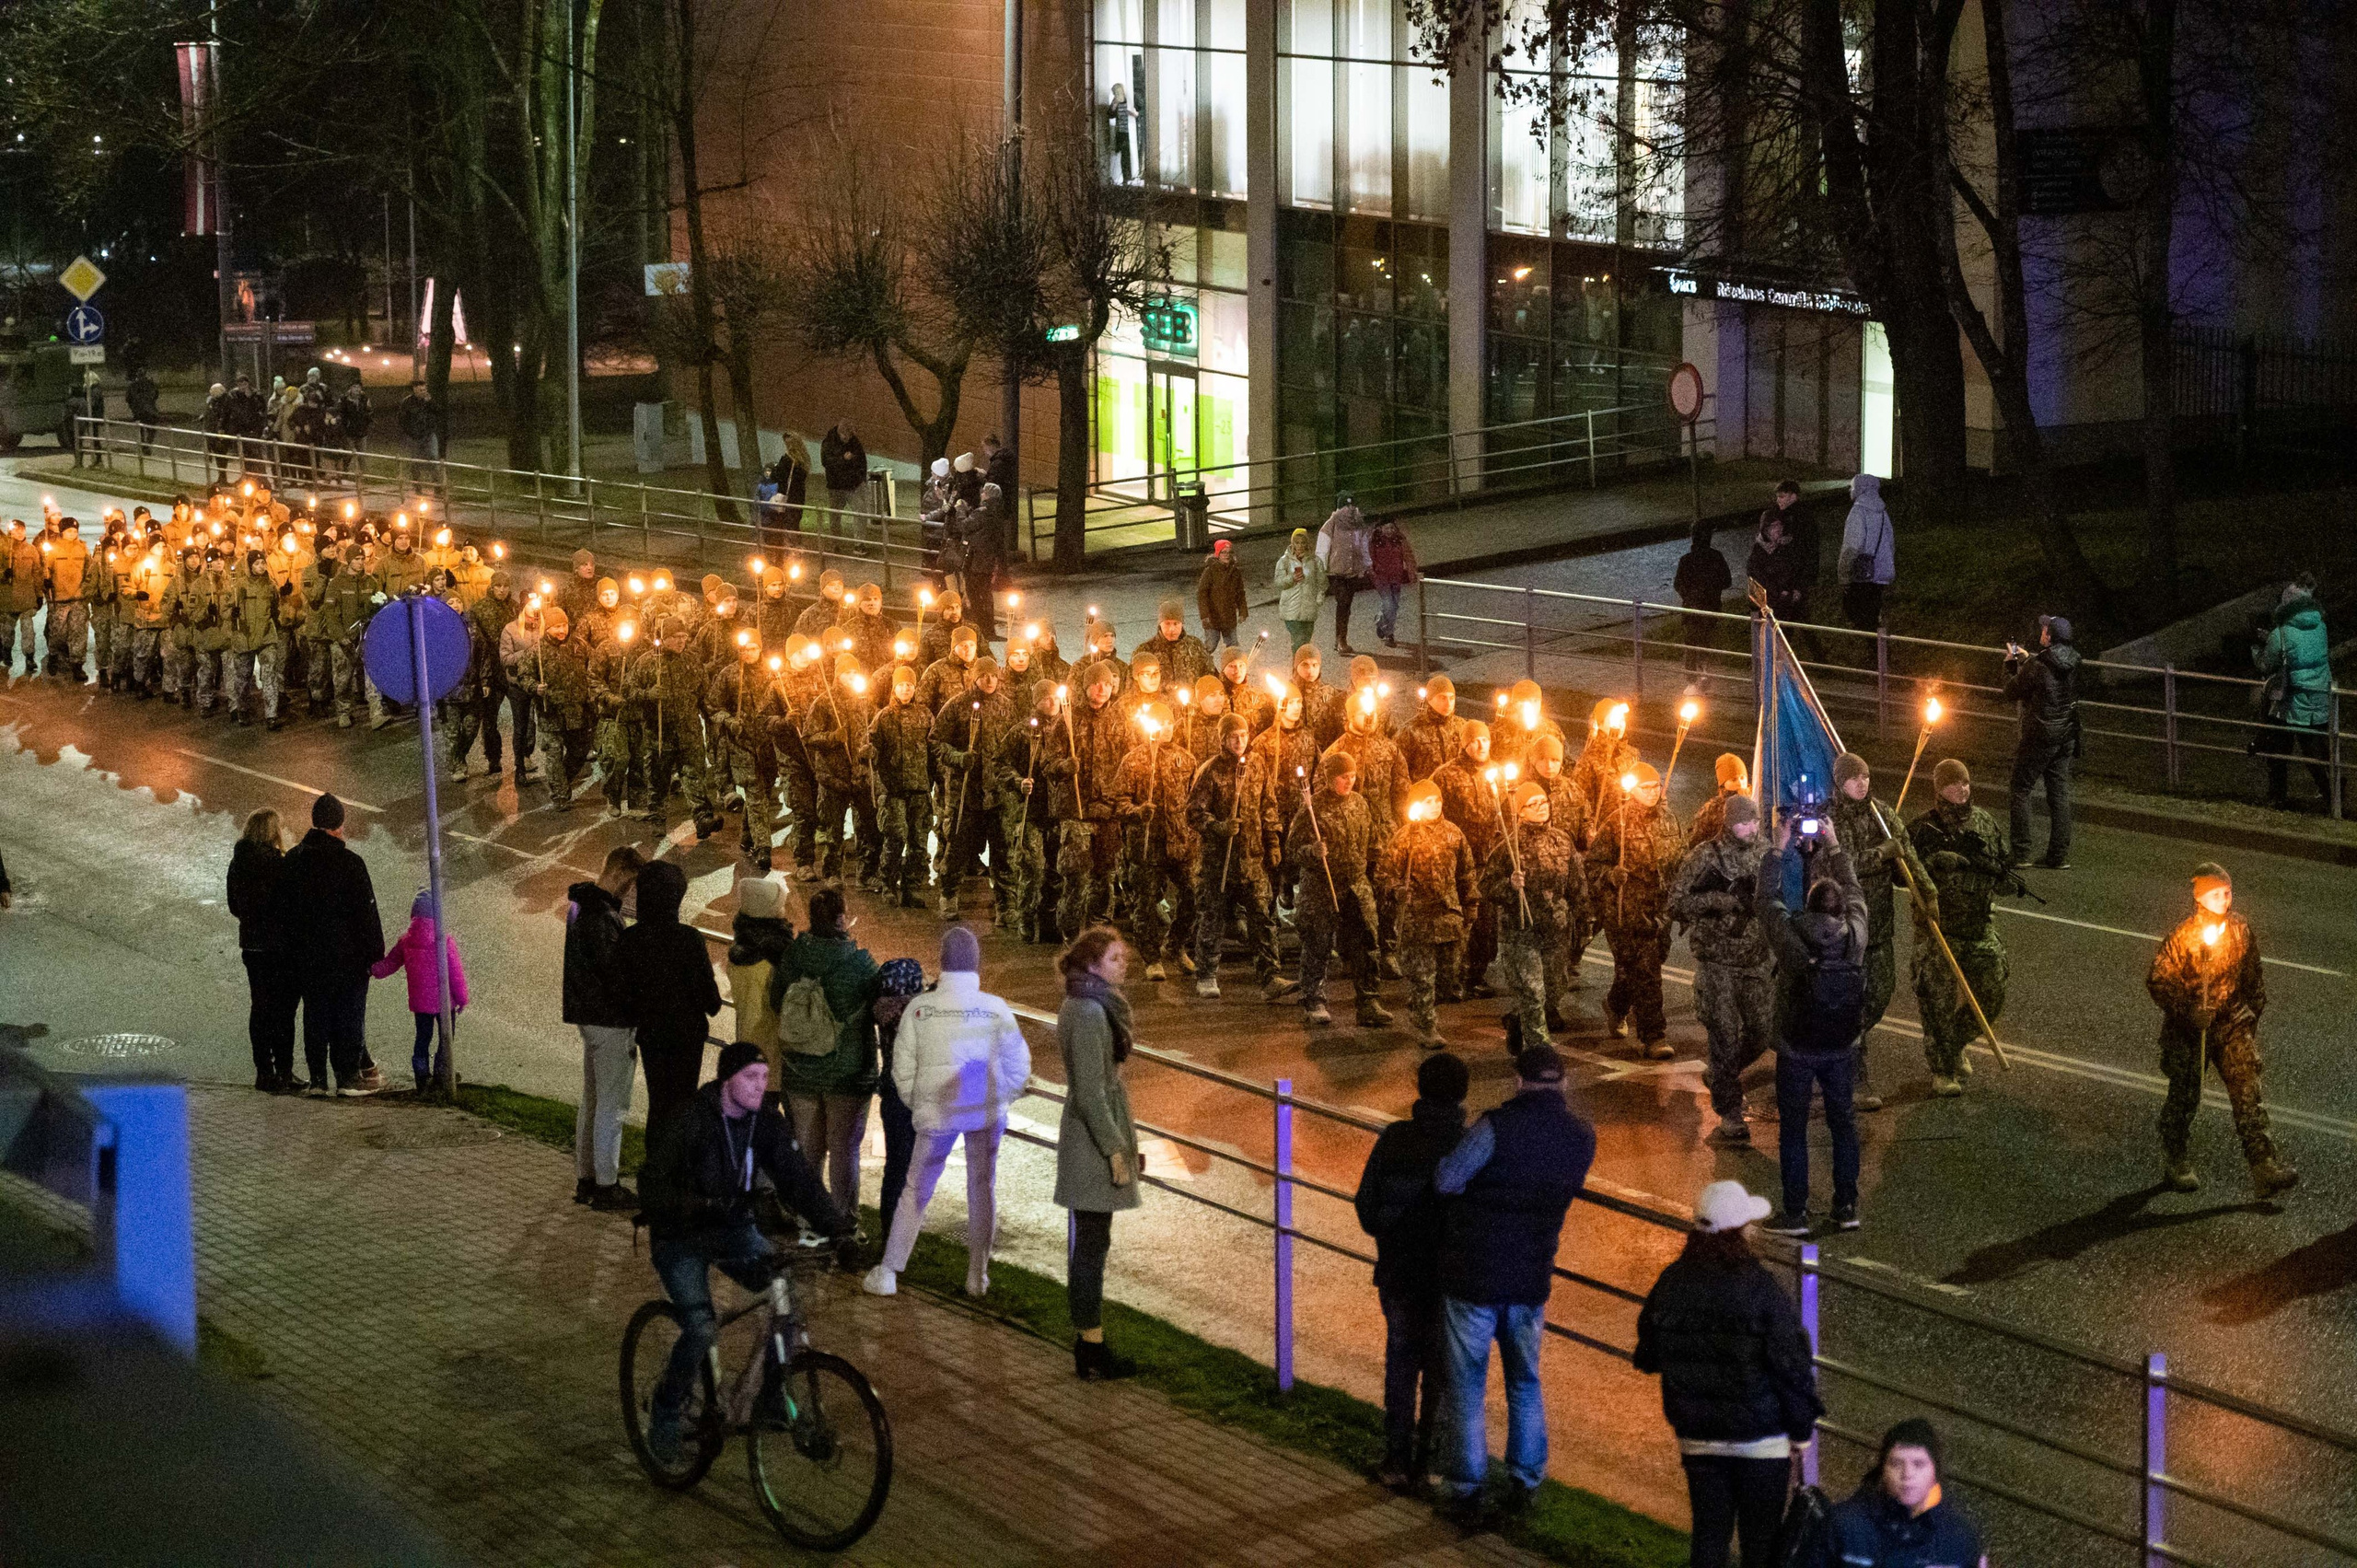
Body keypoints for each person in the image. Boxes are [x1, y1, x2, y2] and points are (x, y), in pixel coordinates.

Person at [636, 1041, 853, 1467]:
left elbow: (799, 1180)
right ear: (726, 1079)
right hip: (680, 1236)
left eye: (765, 1078)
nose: (760, 1087)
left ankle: (771, 1400)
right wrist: (699, 1206)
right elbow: (652, 1186)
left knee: (786, 1298)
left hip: (733, 1230)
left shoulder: (764, 1124)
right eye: (750, 1078)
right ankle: (664, 1411)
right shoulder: (690, 1120)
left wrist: (839, 1228)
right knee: (700, 1328)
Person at [1432, 1043, 1596, 1526]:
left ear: (1519, 1081)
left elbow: (1447, 1180)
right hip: (1531, 1277)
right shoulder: (1581, 1135)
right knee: (1525, 1381)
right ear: (1562, 1083)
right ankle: (1524, 1480)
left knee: (1468, 1385)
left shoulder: (1494, 1128)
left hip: (1475, 1274)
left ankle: (1465, 1486)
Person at [1634, 1180, 1822, 1568]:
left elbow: (1648, 1354)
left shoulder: (1673, 1282)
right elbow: (1791, 1365)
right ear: (1742, 1231)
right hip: (1761, 1442)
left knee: (1708, 1536)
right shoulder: (1760, 1288)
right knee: (1761, 1545)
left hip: (1699, 1439)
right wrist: (1802, 1430)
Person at [864, 926, 1031, 1300]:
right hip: (984, 1114)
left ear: (941, 963)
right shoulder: (994, 1009)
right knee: (982, 1189)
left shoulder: (920, 1011)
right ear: (976, 964)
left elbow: (902, 1070)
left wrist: (919, 1101)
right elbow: (1019, 1066)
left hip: (936, 1114)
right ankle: (977, 1276)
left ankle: (890, 1270)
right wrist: (997, 1098)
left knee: (915, 1190)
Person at [1353, 1051, 1469, 1493]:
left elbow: (1366, 1206)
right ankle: (1431, 1465)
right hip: (1447, 1279)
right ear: (1462, 1095)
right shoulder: (1469, 1145)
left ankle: (1396, 1460)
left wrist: (1392, 1234)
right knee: (1441, 1369)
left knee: (1401, 1363)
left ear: (1419, 1089)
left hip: (1400, 1272)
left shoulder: (1397, 1138)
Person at [2148, 864, 2299, 1199]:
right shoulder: (2184, 935)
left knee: (2248, 1093)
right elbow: (2158, 980)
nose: (2225, 900)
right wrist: (2189, 1011)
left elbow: (2252, 974)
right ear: (2200, 897)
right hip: (2191, 1030)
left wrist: (2252, 1011)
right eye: (2216, 894)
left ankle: (2264, 1167)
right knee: (2185, 1096)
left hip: (2230, 1024)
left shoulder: (2240, 928)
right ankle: (2176, 1157)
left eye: (2228, 892)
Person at [1758, 812, 1868, 1236]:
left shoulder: (1792, 935)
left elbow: (1766, 900)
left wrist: (1778, 845)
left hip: (1797, 1046)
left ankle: (1796, 1212)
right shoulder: (1855, 934)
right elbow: (1856, 890)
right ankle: (1846, 1206)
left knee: (1794, 1129)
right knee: (1844, 1125)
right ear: (1841, 909)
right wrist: (1835, 846)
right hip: (1842, 1047)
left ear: (1809, 905)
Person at [1055, 927, 1144, 1379]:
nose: (1122, 965)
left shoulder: (1084, 1003)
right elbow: (1090, 1093)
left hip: (1093, 1132)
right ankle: (1090, 1344)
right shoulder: (1089, 1012)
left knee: (1092, 1243)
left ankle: (1089, 1341)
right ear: (1092, 966)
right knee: (1091, 1246)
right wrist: (1115, 1150)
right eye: (1113, 958)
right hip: (1092, 1142)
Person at [770, 885, 884, 1232]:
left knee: (808, 1149)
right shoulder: (861, 964)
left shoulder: (792, 957)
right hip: (847, 1075)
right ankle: (842, 1223)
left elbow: (778, 1002)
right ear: (840, 920)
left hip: (800, 1069)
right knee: (845, 1150)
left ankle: (808, 1217)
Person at [1909, 760, 2015, 1098]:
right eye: (1954, 784)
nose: (1962, 789)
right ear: (1939, 788)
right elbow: (1903, 874)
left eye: (1966, 783)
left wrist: (2005, 879)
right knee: (1937, 1003)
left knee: (1992, 990)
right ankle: (1942, 1069)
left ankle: (1953, 1045)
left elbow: (2001, 864)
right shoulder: (1923, 829)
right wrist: (1934, 863)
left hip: (1978, 926)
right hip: (1940, 930)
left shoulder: (1985, 822)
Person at [1828, 753, 1927, 1114]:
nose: (1862, 784)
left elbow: (1908, 855)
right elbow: (1841, 864)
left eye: (1866, 777)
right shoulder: (1829, 819)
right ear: (1840, 783)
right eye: (1854, 779)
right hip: (1845, 931)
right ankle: (1855, 1075)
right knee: (1851, 1002)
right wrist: (1882, 854)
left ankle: (1835, 1043)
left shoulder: (1883, 815)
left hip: (1880, 927)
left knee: (1881, 994)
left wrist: (1926, 892)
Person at [1671, 795, 1771, 1145]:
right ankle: (1729, 1112)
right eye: (1744, 822)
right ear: (1729, 823)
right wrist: (1720, 901)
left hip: (1756, 960)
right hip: (1718, 964)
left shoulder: (1766, 852)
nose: (1752, 828)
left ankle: (1721, 1075)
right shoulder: (1705, 857)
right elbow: (1677, 902)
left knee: (1763, 1031)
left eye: (1755, 821)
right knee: (1724, 1038)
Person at [273, 793, 387, 1098]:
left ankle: (318, 1080)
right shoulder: (351, 864)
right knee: (348, 1017)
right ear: (339, 823)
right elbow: (367, 914)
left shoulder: (295, 860)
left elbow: (284, 912)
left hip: (308, 959)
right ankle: (348, 1079)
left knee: (316, 1016)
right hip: (348, 960)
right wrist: (375, 955)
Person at [615, 859, 722, 1141]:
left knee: (659, 1103)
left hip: (651, 1035)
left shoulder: (629, 940)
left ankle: (656, 1170)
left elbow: (622, 995)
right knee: (683, 1104)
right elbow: (711, 1001)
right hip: (687, 1036)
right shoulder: (688, 940)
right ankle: (678, 1174)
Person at [565, 844, 644, 1208]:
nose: (629, 894)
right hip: (610, 1021)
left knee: (592, 1101)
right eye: (629, 884)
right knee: (612, 1107)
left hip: (588, 1015)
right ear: (620, 874)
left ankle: (586, 1178)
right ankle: (606, 1185)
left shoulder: (580, 906)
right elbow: (616, 974)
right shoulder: (601, 916)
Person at [1588, 761, 1682, 1060]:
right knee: (1646, 972)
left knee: (1638, 970)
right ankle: (1654, 1037)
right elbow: (1593, 865)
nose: (1653, 792)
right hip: (1626, 913)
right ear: (1633, 790)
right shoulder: (1617, 823)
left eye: (1656, 786)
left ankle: (1616, 1005)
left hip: (1660, 912)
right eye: (1645, 787)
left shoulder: (1670, 821)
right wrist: (1611, 874)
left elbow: (1678, 861)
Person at [1814, 1420, 1990, 1568]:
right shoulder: (1844, 1524)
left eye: (1919, 1464)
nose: (1907, 1474)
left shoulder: (1960, 1537)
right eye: (1896, 1464)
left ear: (1936, 1471)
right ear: (1883, 1470)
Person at [227, 808, 300, 1093]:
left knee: (260, 1008)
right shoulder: (278, 864)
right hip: (279, 946)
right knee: (283, 1010)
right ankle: (285, 1071)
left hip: (253, 945)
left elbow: (235, 905)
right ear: (273, 832)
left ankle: (264, 1071)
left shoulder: (239, 863)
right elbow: (291, 906)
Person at [370, 890, 470, 1091]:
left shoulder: (406, 941)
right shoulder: (444, 940)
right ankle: (443, 1073)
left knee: (422, 1038)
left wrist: (372, 970)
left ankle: (422, 1077)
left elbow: (390, 963)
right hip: (444, 1003)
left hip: (421, 1004)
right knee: (446, 1039)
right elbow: (455, 972)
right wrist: (462, 999)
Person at [2001, 613, 2079, 869]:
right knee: (2058, 794)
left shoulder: (2038, 665)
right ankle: (2057, 856)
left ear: (2050, 636)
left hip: (2040, 735)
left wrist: (2011, 664)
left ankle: (2021, 852)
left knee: (2020, 789)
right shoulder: (2073, 660)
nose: (2041, 631)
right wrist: (2029, 658)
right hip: (2065, 734)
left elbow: (2011, 691)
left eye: (2044, 629)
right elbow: (2050, 669)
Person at [2253, 575, 2333, 809]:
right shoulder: (2321, 625)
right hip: (2319, 695)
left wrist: (2257, 647)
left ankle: (2277, 795)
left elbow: (2266, 664)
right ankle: (2331, 793)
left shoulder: (2281, 633)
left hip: (2291, 700)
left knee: (2279, 748)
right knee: (2314, 750)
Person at [725, 875, 794, 1075]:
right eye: (780, 905)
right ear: (768, 911)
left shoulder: (740, 952)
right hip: (770, 1056)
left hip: (746, 1049)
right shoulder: (774, 959)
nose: (784, 909)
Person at [1836, 473, 1895, 633]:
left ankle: (1876, 654)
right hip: (1880, 575)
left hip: (1861, 575)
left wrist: (1843, 574)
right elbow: (1890, 543)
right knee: (1873, 617)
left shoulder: (1858, 512)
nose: (1850, 490)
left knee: (1860, 619)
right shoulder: (1883, 512)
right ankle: (1880, 653)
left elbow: (1852, 547)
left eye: (1852, 487)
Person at [1318, 494, 1375, 654]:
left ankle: (1341, 638)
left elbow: (1363, 546)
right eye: (1345, 506)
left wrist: (1367, 564)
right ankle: (1341, 640)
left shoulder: (1359, 525)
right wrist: (1320, 570)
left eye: (1351, 506)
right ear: (1339, 508)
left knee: (1347, 605)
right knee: (1342, 603)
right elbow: (1322, 549)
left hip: (1353, 571)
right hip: (1337, 573)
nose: (1349, 509)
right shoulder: (1331, 524)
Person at [1674, 523, 1734, 674]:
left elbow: (1678, 584)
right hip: (1710, 606)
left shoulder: (1686, 560)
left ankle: (1692, 677)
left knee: (1692, 642)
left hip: (1691, 608)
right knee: (1706, 640)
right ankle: (1704, 672)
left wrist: (1689, 596)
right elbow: (1727, 581)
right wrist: (1712, 588)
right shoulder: (1716, 557)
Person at [1745, 511, 1806, 625]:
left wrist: (1798, 589)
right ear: (1766, 530)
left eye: (1780, 525)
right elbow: (1761, 582)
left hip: (1791, 604)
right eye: (1774, 526)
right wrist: (1781, 593)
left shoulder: (1786, 548)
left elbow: (1798, 570)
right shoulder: (1757, 556)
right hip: (1770, 610)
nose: (1779, 529)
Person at [1367, 516, 1419, 649]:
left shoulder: (1400, 540)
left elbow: (1409, 557)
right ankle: (1390, 634)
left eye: (1392, 528)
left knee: (1394, 607)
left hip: (1396, 578)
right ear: (1381, 529)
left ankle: (1380, 620)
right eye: (1386, 528)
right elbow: (1369, 559)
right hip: (1381, 579)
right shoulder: (1374, 541)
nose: (1389, 530)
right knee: (1389, 604)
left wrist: (1412, 573)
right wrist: (1373, 572)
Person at [1274, 528, 1327, 651]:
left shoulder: (1315, 561)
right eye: (1297, 542)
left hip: (1309, 609)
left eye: (1303, 542)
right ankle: (1296, 668)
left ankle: (1303, 668)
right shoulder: (1284, 561)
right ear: (1292, 543)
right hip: (1291, 610)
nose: (1300, 546)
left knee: (1306, 642)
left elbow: (1322, 582)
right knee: (1298, 640)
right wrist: (1292, 578)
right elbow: (1279, 582)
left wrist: (1319, 598)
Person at [1196, 538, 1248, 648]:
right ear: (1218, 554)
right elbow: (1202, 594)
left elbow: (1240, 593)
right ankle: (1204, 664)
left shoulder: (1235, 572)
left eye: (1229, 552)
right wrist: (1204, 615)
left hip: (1229, 617)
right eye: (1223, 552)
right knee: (1210, 646)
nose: (1227, 555)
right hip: (1213, 618)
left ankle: (1232, 664)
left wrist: (1243, 611)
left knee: (1233, 646)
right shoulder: (1209, 571)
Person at [819, 420, 866, 537]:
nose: (848, 439)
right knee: (835, 515)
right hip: (836, 485)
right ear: (840, 433)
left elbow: (862, 460)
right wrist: (843, 459)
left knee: (860, 513)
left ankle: (859, 543)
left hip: (853, 484)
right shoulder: (828, 443)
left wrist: (862, 477)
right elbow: (826, 462)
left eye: (850, 436)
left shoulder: (854, 442)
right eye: (845, 436)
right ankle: (836, 541)